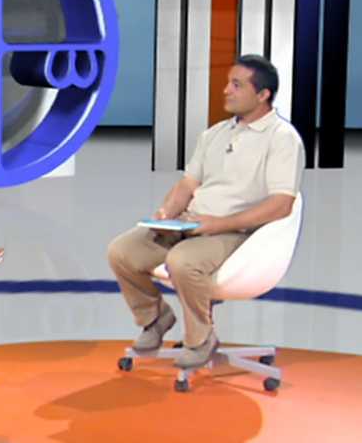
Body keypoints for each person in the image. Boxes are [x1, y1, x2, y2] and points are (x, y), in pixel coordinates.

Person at [107, 55, 304, 369]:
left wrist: (218, 224)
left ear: (263, 94)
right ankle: (154, 319)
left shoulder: (282, 139)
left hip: (237, 233)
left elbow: (282, 204)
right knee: (122, 250)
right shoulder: (215, 134)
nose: (226, 90)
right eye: (228, 83)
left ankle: (201, 339)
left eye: (236, 85)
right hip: (191, 224)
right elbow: (188, 184)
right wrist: (167, 212)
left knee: (182, 260)